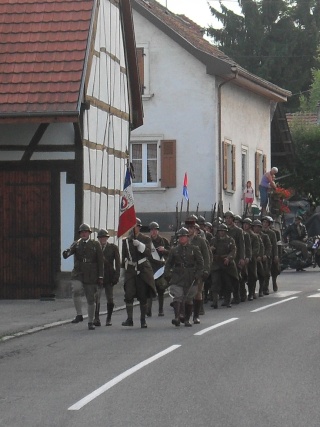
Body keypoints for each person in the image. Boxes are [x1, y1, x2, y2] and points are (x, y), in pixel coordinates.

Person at [62, 223, 104, 330]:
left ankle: (90, 321)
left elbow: (100, 261)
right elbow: (69, 253)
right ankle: (79, 314)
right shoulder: (76, 244)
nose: (84, 234)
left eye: (86, 232)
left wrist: (100, 276)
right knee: (76, 289)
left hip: (91, 274)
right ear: (80, 234)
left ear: (89, 233)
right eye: (82, 232)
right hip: (78, 272)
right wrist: (66, 253)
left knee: (90, 298)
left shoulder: (95, 244)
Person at [120, 218, 157, 328]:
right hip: (130, 270)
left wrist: (140, 245)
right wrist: (122, 272)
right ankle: (129, 319)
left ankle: (142, 320)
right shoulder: (126, 241)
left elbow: (149, 252)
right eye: (131, 226)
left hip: (142, 269)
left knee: (142, 295)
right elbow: (124, 257)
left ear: (139, 227)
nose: (133, 228)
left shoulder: (145, 239)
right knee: (128, 294)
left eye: (135, 226)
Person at [164, 227, 204, 327]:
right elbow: (168, 263)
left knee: (189, 298)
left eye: (184, 237)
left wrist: (198, 274)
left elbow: (200, 263)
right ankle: (177, 317)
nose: (181, 239)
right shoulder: (174, 250)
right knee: (177, 296)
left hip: (191, 276)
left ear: (187, 237)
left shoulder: (194, 249)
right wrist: (167, 274)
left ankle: (186, 319)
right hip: (178, 275)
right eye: (180, 237)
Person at [185, 215, 210, 324]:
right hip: (185, 271)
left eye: (192, 228)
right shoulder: (182, 240)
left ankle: (196, 315)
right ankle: (186, 315)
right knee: (186, 294)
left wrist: (205, 270)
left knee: (197, 293)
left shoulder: (201, 241)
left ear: (196, 230)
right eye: (188, 228)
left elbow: (207, 256)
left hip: (197, 271)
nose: (190, 230)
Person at [93, 229, 120, 326]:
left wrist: (117, 276)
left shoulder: (113, 248)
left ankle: (109, 318)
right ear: (99, 239)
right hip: (98, 276)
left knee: (110, 298)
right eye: (101, 237)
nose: (103, 239)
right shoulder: (95, 248)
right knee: (97, 298)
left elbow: (117, 263)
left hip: (109, 276)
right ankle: (96, 318)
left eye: (104, 237)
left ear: (107, 238)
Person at [209, 223, 238, 309]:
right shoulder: (214, 240)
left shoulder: (230, 240)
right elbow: (208, 251)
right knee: (215, 282)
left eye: (223, 231)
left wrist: (228, 258)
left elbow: (233, 251)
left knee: (227, 283)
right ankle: (214, 301)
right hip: (216, 264)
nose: (221, 232)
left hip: (226, 265)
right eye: (220, 231)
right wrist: (211, 250)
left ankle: (227, 301)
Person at [146, 221, 171, 317]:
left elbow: (171, 252)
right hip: (150, 267)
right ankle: (149, 310)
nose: (153, 232)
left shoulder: (164, 241)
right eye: (152, 230)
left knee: (161, 289)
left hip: (160, 268)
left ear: (158, 231)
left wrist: (164, 250)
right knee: (149, 289)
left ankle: (160, 309)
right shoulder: (147, 241)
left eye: (155, 230)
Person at [224, 211, 245, 304]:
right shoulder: (223, 229)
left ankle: (237, 296)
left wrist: (242, 258)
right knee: (226, 279)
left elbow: (241, 245)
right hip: (226, 257)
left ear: (233, 219)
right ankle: (227, 298)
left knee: (236, 278)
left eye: (229, 218)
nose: (228, 220)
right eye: (226, 218)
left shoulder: (238, 231)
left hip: (235, 257)